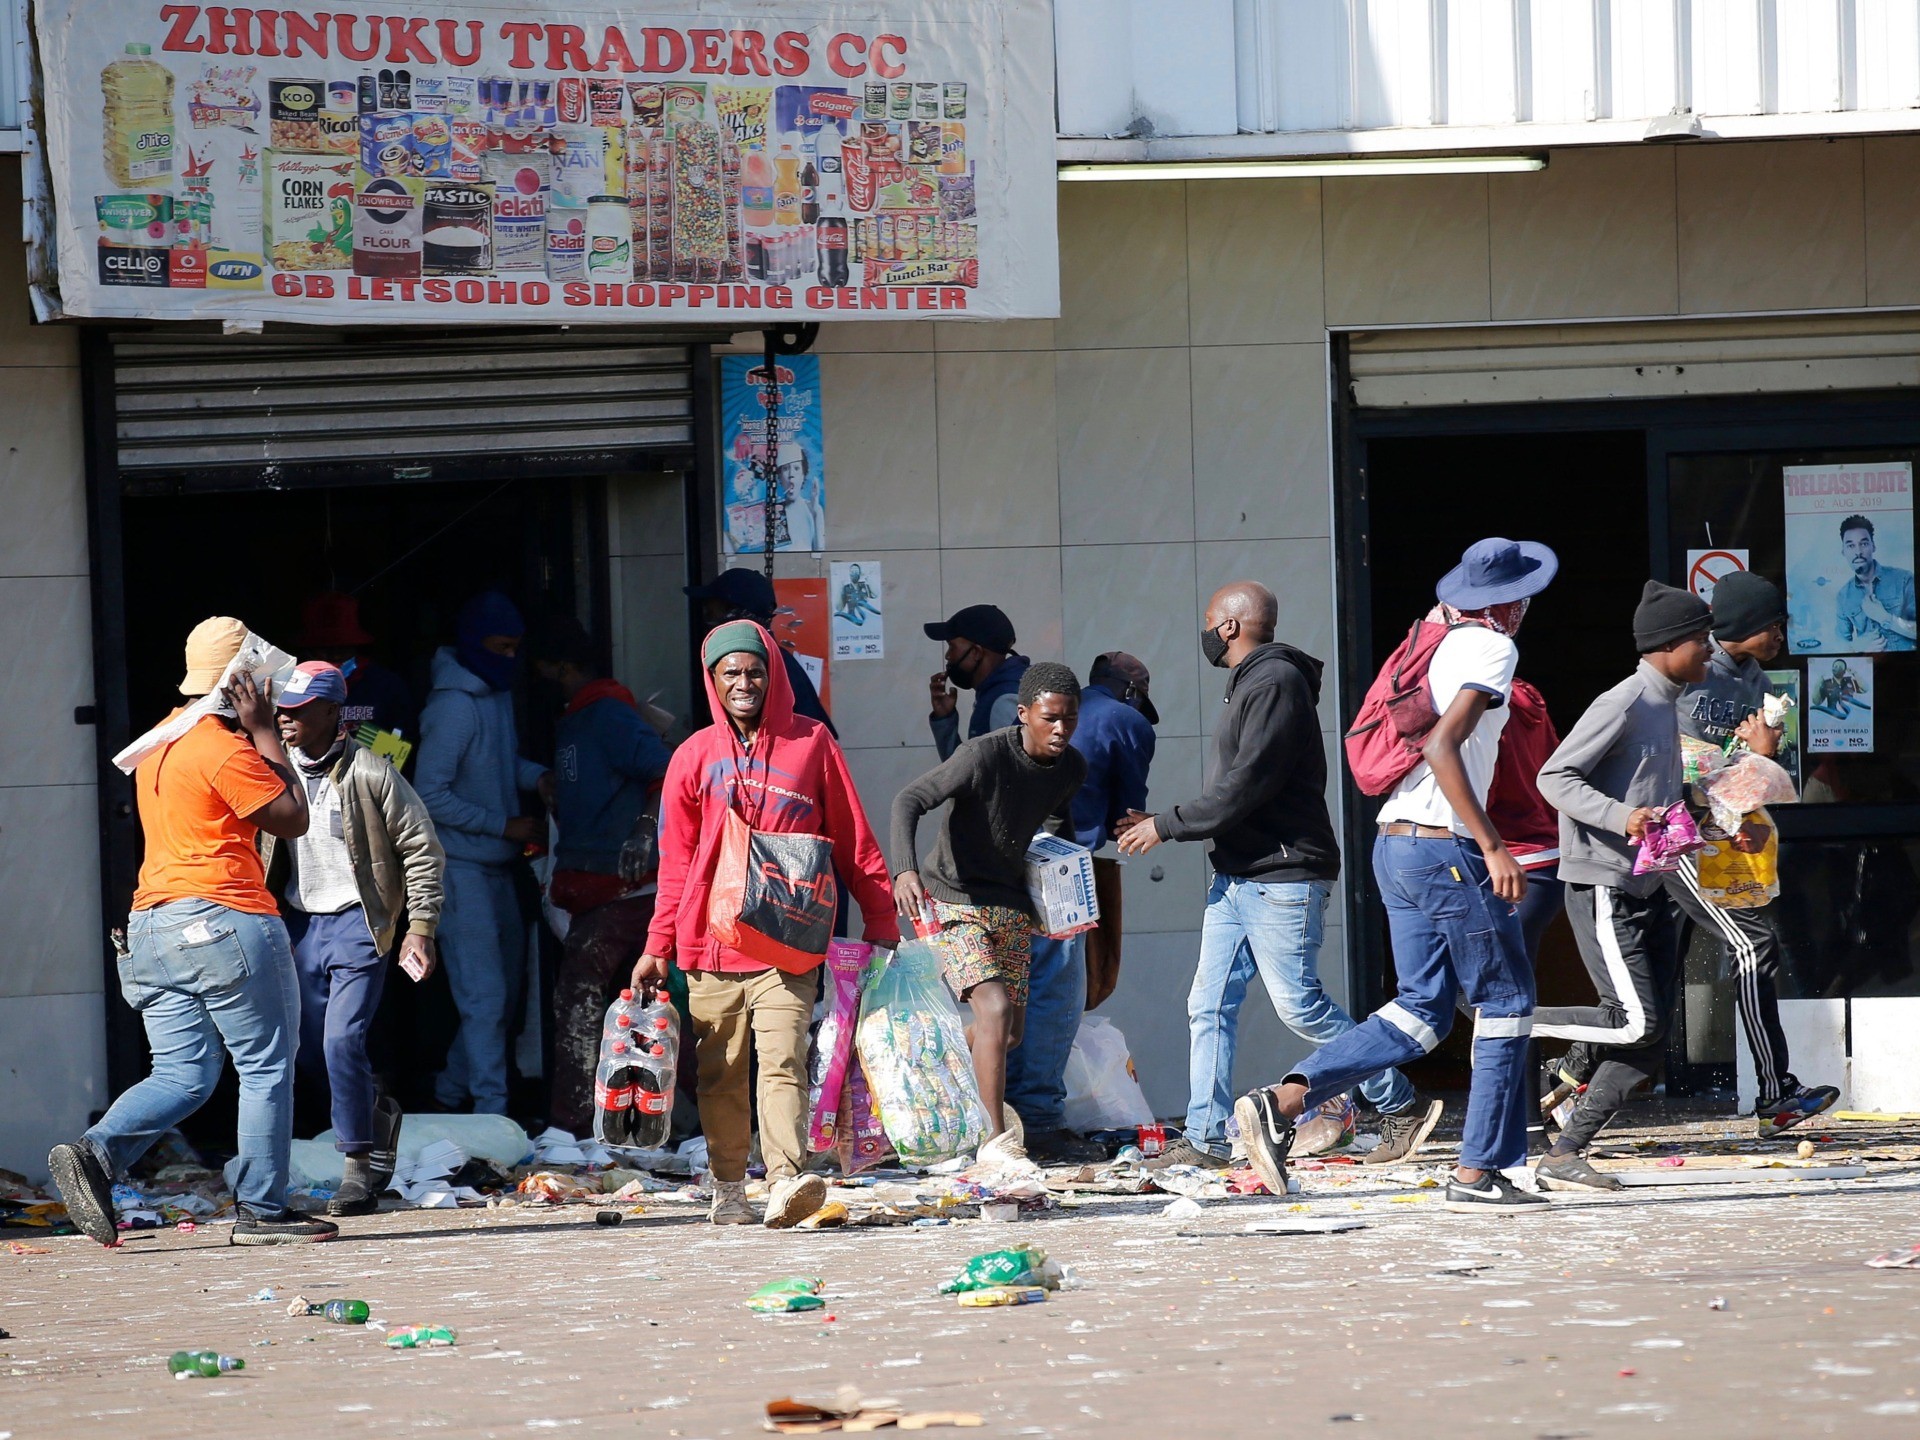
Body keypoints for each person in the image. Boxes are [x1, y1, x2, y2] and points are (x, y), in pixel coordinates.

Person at [1226, 541, 1560, 1214]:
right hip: (1445, 850)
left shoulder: (1431, 637)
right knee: (1506, 1002)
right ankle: (1477, 1173)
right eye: (1521, 597)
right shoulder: (1492, 650)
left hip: (1394, 847)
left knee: (1423, 1009)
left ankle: (1280, 1101)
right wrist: (1493, 846)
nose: (1525, 608)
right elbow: (1441, 745)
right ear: (1503, 604)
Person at [1116, 581, 1440, 1172]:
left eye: (1210, 621)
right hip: (1239, 874)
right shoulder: (1251, 684)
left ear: (1232, 627)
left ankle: (1398, 1102)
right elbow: (1233, 788)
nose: (1207, 632)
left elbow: (1248, 784)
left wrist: (1165, 826)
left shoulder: (1274, 682)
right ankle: (1207, 1136)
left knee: (1300, 1006)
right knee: (1207, 1006)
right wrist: (1165, 819)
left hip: (1282, 874)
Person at [47, 618, 333, 1246]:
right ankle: (263, 1211)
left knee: (182, 1073)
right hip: (224, 917)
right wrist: (264, 733)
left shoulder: (158, 743)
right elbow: (291, 819)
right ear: (244, 683)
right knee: (264, 1066)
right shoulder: (222, 747)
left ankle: (95, 1155)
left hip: (152, 925)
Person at [632, 620, 899, 1227]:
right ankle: (729, 1187)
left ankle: (784, 1180)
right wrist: (658, 945)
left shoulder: (813, 744)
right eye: (731, 673)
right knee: (721, 1071)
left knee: (783, 1059)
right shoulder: (693, 756)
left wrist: (882, 916)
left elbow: (853, 838)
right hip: (709, 944)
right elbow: (674, 862)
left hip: (789, 939)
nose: (744, 682)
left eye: (755, 670)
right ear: (713, 681)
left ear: (773, 675)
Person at [1530, 581, 1713, 1192]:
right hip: (1604, 883)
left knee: (1651, 1036)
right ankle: (1512, 1019)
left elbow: (1651, 794)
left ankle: (1566, 1151)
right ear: (1666, 646)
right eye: (1702, 640)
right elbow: (1555, 776)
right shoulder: (1626, 699)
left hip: (1651, 886)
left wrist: (1696, 813)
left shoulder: (1669, 702)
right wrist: (1620, 818)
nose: (1711, 651)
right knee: (1632, 1020)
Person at [264, 661, 445, 1216]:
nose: (287, 720)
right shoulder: (270, 770)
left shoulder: (371, 773)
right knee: (310, 1050)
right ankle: (373, 1113)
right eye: (282, 710)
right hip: (297, 924)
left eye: (299, 711)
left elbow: (422, 849)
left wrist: (420, 928)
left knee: (342, 1040)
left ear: (333, 714)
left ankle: (356, 1167)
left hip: (358, 924)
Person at [1667, 572, 1839, 1136]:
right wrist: (1755, 758)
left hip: (1722, 840)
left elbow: (1750, 773)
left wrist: (1765, 756)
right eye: (1774, 624)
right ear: (1744, 625)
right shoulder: (1693, 672)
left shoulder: (1755, 679)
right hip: (1673, 837)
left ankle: (1775, 1091)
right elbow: (1685, 769)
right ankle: (1774, 1093)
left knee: (1741, 948)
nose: (1781, 635)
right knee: (1743, 948)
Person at [892, 663, 1087, 1157]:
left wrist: (1061, 900)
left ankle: (930, 1054)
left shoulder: (1071, 769)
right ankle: (994, 1142)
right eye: (1049, 718)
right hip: (952, 899)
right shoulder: (983, 754)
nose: (1060, 729)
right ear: (1024, 714)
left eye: (1069, 719)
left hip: (1011, 905)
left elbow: (1056, 831)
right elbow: (909, 800)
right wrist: (904, 871)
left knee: (1009, 1034)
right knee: (995, 1011)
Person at [1004, 652, 1156, 1166]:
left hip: (1015, 872)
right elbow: (1125, 818)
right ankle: (1039, 1120)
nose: (1065, 728)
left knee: (1020, 994)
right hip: (1063, 871)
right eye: (1055, 718)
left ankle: (1016, 1114)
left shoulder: (1035, 739)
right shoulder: (1126, 722)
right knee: (1061, 994)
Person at [531, 618, 675, 1137]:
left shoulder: (608, 716)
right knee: (623, 1007)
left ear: (565, 668)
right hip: (594, 887)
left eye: (548, 670)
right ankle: (623, 1125)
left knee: (583, 1003)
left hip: (625, 890)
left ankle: (572, 1129)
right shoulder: (579, 719)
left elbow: (665, 769)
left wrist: (643, 830)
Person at [414, 591, 552, 1116]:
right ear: (474, 644)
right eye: (501, 647)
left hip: (497, 865)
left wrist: (536, 777)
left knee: (498, 1001)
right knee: (486, 1001)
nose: (511, 659)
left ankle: (447, 1096)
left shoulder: (494, 695)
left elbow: (500, 761)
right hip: (458, 869)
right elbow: (429, 793)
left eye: (516, 648)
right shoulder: (451, 707)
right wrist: (505, 824)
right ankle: (492, 1115)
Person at [687, 568, 835, 733]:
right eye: (731, 674)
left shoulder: (776, 664)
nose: (743, 684)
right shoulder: (777, 659)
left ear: (732, 613)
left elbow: (817, 737)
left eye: (712, 609)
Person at [296, 591, 417, 744]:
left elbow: (403, 737)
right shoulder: (291, 687)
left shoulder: (386, 686)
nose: (335, 654)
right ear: (309, 650)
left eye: (343, 647)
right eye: (324, 647)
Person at [925, 603, 1029, 761]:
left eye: (952, 647)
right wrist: (945, 719)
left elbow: (1012, 780)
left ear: (976, 652)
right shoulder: (994, 692)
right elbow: (968, 772)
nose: (948, 656)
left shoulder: (1004, 701)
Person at [1833, 514, 1916, 652]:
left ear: (1873, 546)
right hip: (1867, 670)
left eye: (1864, 544)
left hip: (1905, 668)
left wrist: (1885, 617)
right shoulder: (1843, 596)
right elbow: (1840, 645)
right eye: (1851, 545)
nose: (1858, 552)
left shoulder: (1904, 580)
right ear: (1843, 551)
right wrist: (1858, 647)